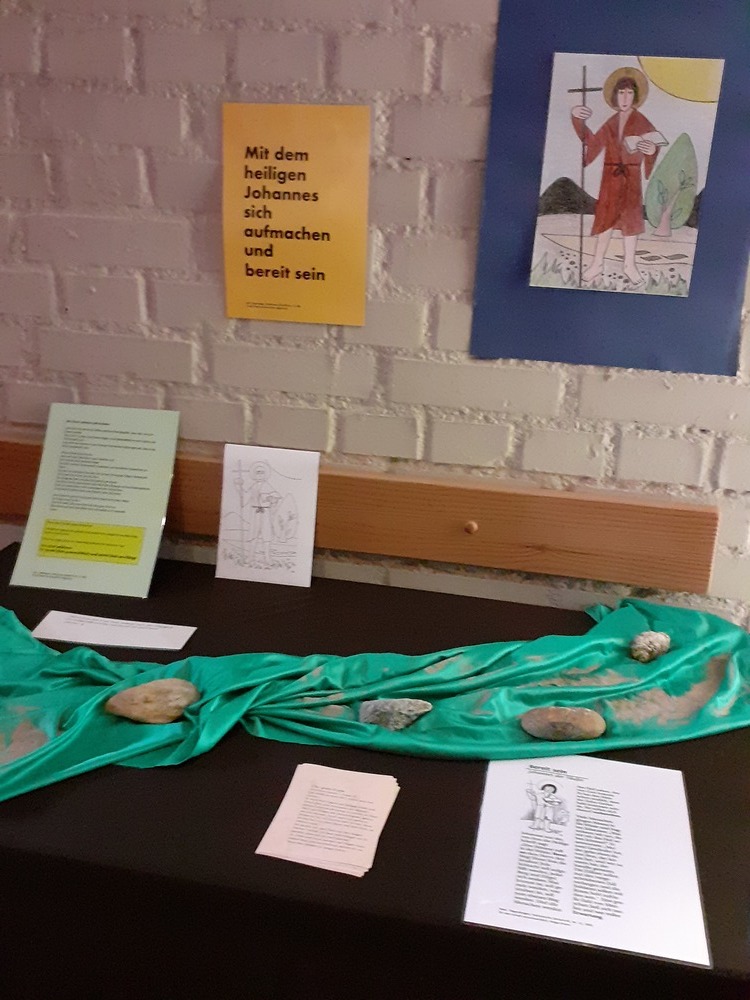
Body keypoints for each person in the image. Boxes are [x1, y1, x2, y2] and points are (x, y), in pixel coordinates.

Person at [571, 66, 660, 286]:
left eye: (629, 93)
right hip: (610, 177)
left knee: (631, 221)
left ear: (635, 96)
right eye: (621, 93)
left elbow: (654, 144)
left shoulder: (642, 121)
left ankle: (629, 265)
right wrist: (577, 120)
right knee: (606, 220)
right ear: (614, 96)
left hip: (631, 177)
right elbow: (593, 143)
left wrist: (651, 151)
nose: (625, 98)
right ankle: (597, 264)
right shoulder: (611, 122)